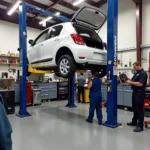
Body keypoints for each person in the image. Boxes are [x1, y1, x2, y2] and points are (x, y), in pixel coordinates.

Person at [126, 62, 147, 132]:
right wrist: (127, 79)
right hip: (135, 93)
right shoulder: (136, 73)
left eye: (135, 67)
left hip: (140, 93)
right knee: (135, 108)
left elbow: (140, 84)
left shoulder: (143, 73)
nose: (134, 68)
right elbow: (133, 80)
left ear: (138, 66)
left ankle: (140, 126)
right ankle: (134, 122)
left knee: (140, 110)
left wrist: (130, 82)